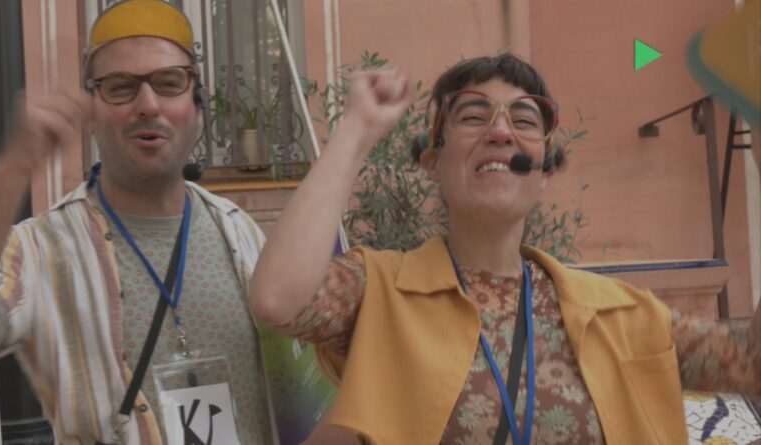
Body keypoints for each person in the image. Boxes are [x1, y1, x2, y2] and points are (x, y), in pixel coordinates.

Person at [249, 54, 761, 444]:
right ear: (433, 162)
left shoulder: (622, 315)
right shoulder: (378, 291)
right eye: (473, 117)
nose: (500, 131)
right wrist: (356, 130)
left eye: (525, 120)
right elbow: (278, 299)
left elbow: (751, 363)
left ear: (545, 169)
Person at [0, 0, 274, 443]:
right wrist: (12, 168)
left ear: (198, 106)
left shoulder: (241, 231)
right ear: (90, 112)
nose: (148, 104)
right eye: (121, 87)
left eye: (170, 83)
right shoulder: (39, 249)